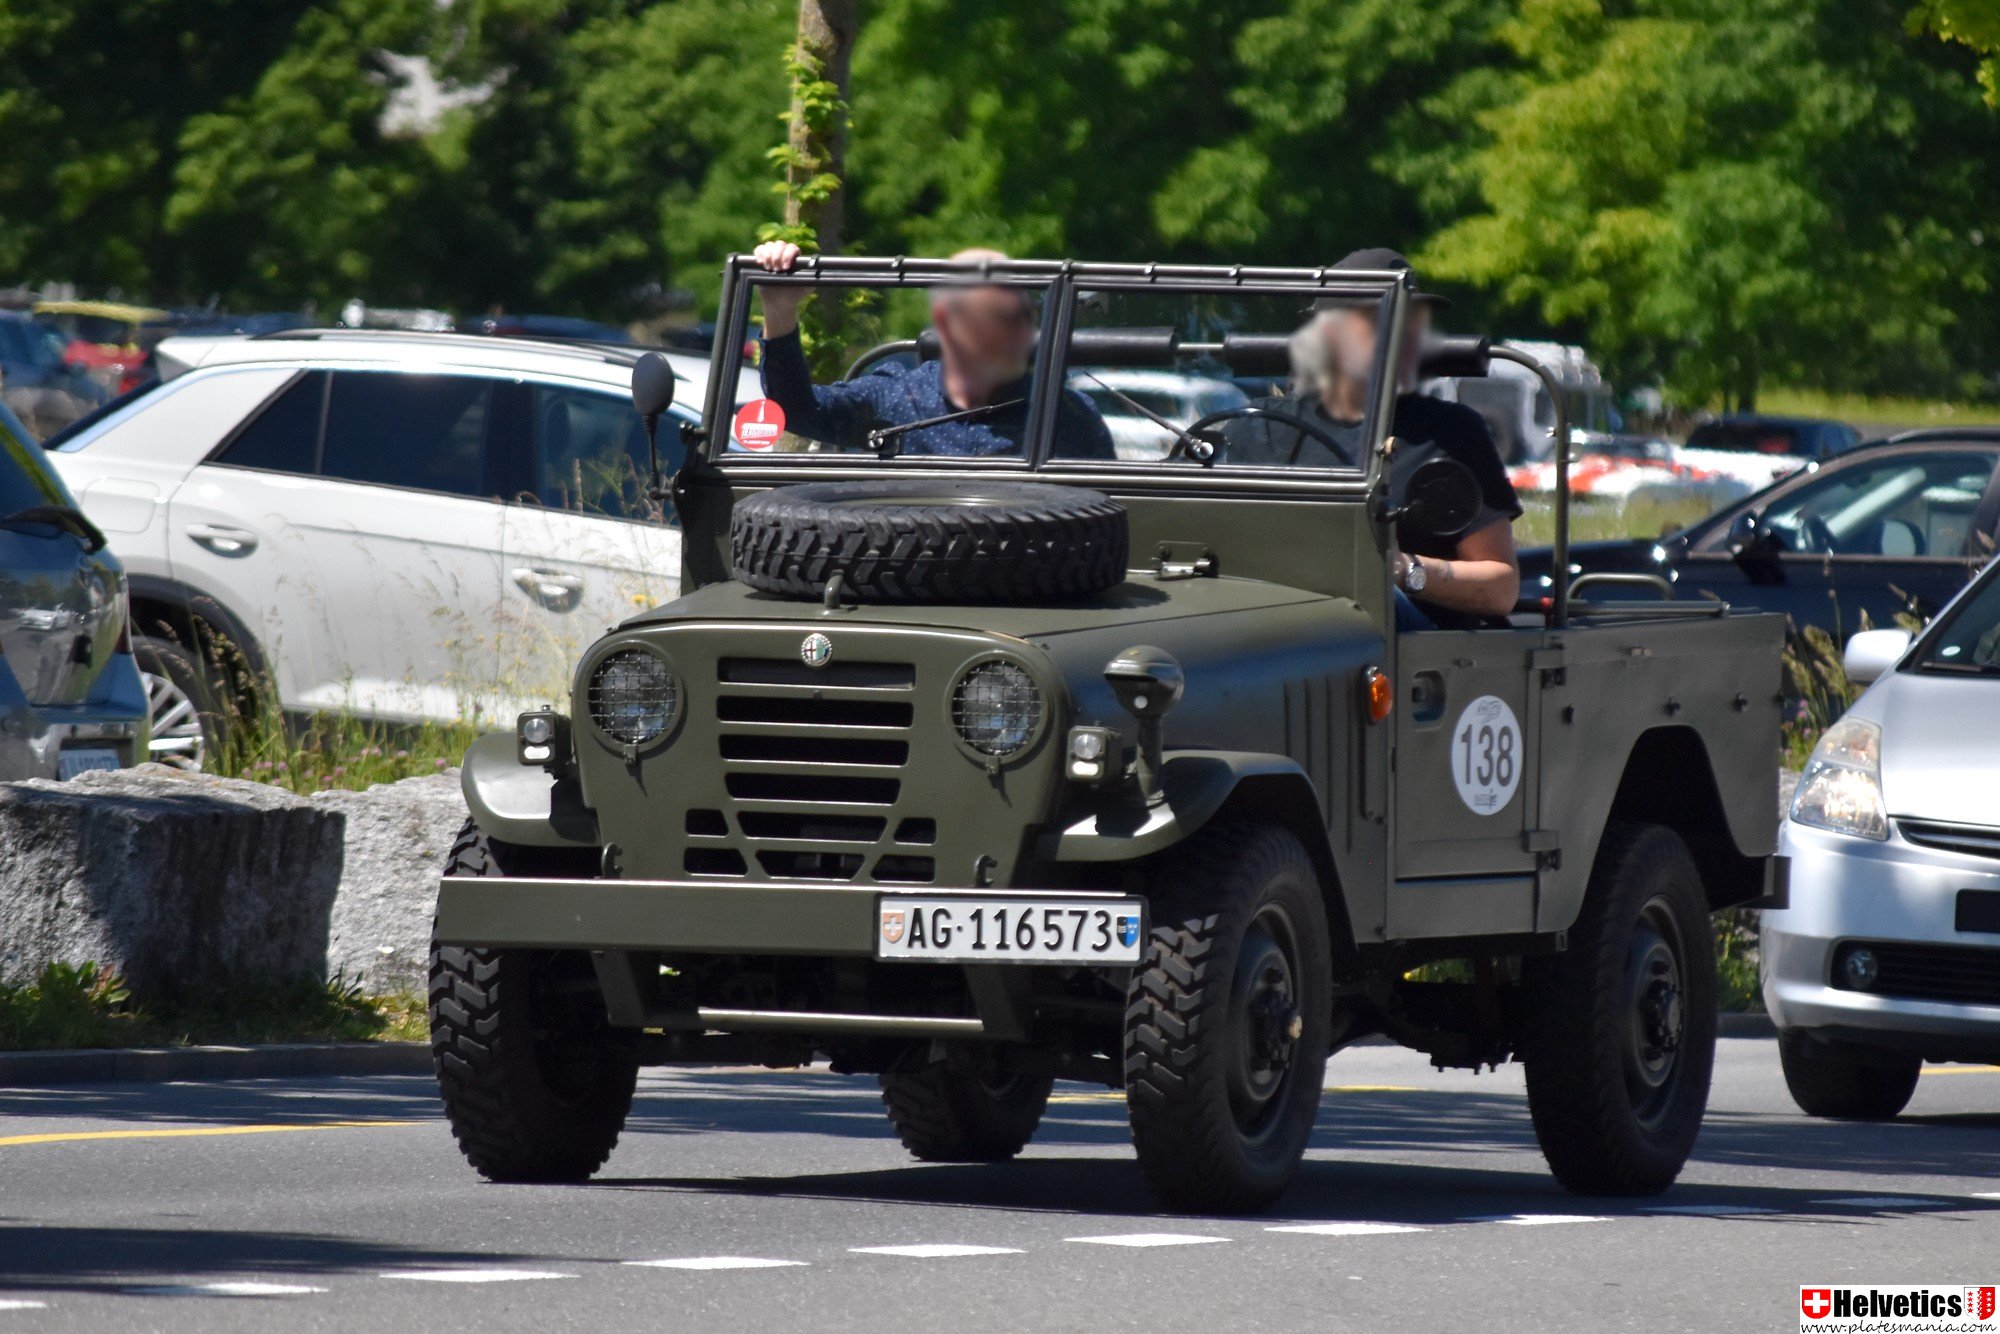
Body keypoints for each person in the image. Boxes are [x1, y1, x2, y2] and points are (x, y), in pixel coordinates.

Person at [1221, 248, 1522, 630]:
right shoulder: (1258, 427)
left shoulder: (1450, 432)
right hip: (1267, 622)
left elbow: (1500, 588)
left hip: (1412, 656)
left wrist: (1403, 569)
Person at [748, 241, 1114, 460]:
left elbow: (1106, 515)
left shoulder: (1065, 415)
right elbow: (795, 412)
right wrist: (779, 309)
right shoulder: (895, 398)